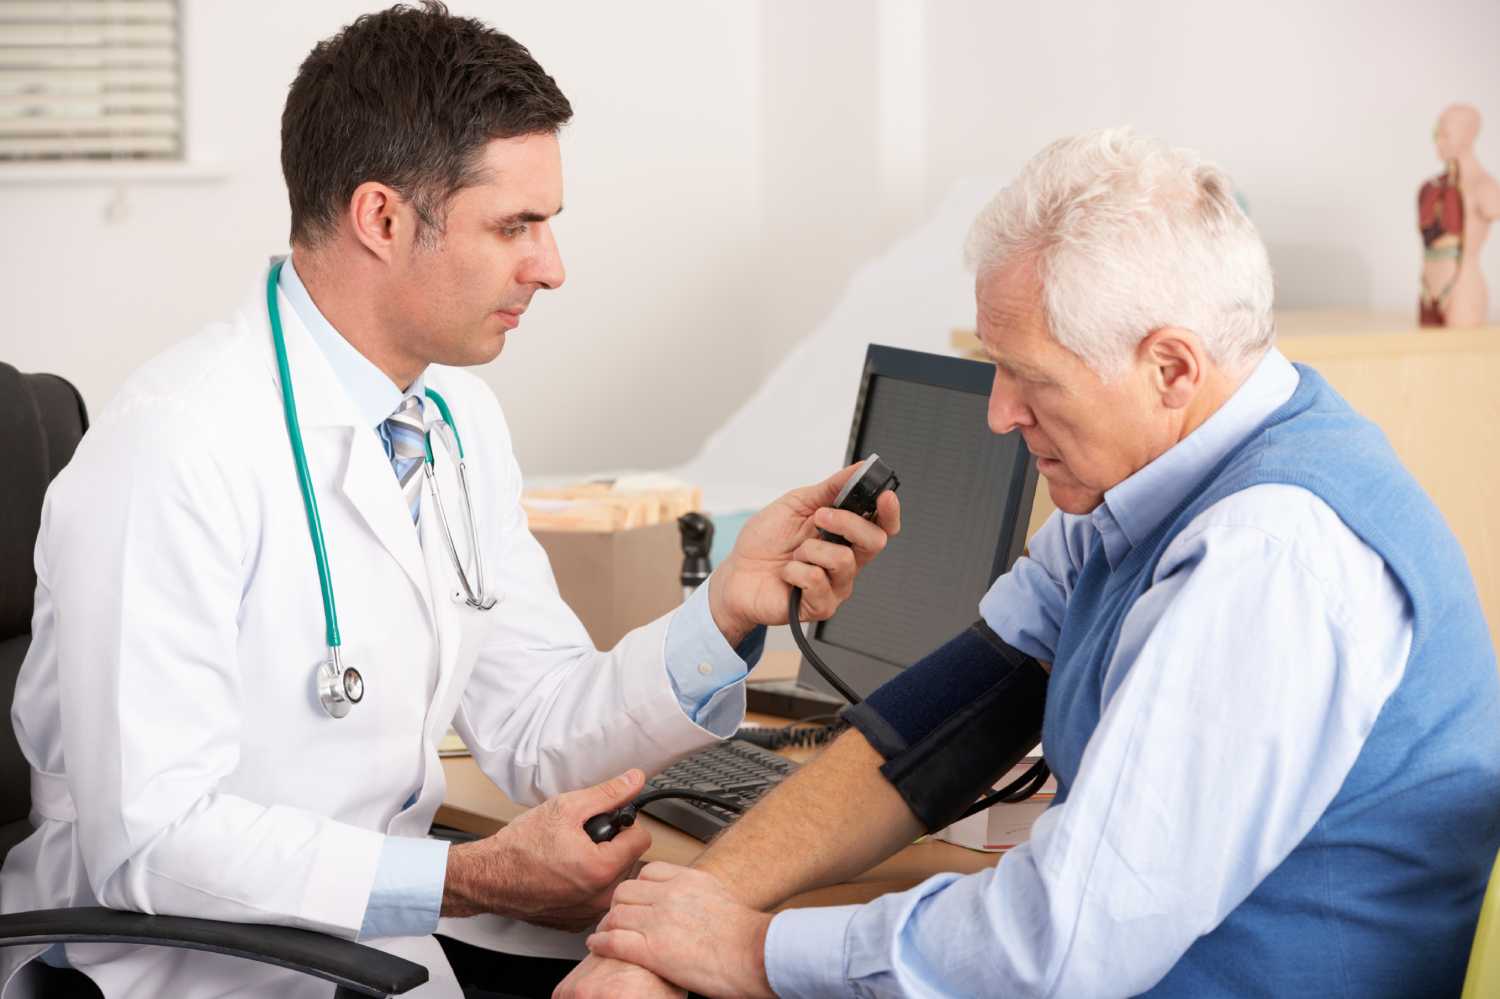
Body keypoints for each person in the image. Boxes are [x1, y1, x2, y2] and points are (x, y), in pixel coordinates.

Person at [0, 5, 899, 998]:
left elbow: (540, 727)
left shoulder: (451, 418)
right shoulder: (172, 445)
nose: (551, 268)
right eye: (516, 226)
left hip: (370, 950)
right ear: (381, 218)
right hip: (190, 969)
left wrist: (728, 608)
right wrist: (465, 877)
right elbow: (156, 845)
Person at [559, 130, 1500, 998]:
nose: (999, 415)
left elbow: (1065, 943)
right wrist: (677, 921)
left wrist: (754, 953)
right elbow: (929, 736)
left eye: (1033, 378)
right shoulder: (1139, 491)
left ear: (1171, 368)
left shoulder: (1272, 558)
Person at [1418, 103, 1500, 327]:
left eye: (1446, 134)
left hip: (1463, 287)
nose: (1438, 141)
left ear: (1467, 136)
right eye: (1437, 133)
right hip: (1428, 288)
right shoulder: (1430, 188)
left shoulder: (1485, 187)